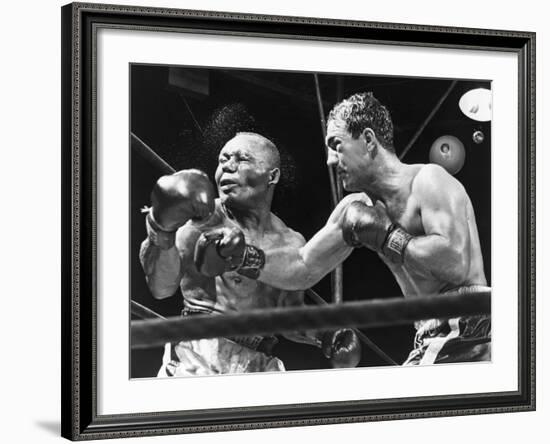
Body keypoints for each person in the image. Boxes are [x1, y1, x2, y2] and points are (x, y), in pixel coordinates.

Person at [206, 93, 491, 366]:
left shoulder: (428, 179)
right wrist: (245, 256)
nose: (330, 160)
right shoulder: (353, 208)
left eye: (336, 145)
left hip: (471, 327)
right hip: (429, 335)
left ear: (368, 139)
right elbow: (301, 266)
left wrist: (388, 235)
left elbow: (454, 263)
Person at [140, 132, 361, 376]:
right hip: (199, 352)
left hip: (259, 362)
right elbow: (161, 288)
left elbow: (288, 316)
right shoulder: (202, 221)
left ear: (272, 176)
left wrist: (324, 334)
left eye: (241, 159)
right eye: (222, 160)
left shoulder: (290, 241)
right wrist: (160, 229)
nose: (227, 167)